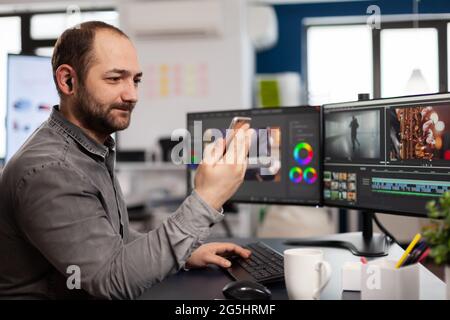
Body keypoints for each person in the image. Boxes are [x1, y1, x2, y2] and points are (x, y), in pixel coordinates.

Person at [0, 21, 252, 299]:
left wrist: (185, 252)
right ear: (68, 80)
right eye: (114, 79)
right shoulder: (51, 170)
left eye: (136, 80)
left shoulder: (87, 148)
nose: (132, 94)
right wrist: (207, 198)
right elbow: (111, 281)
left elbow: (110, 242)